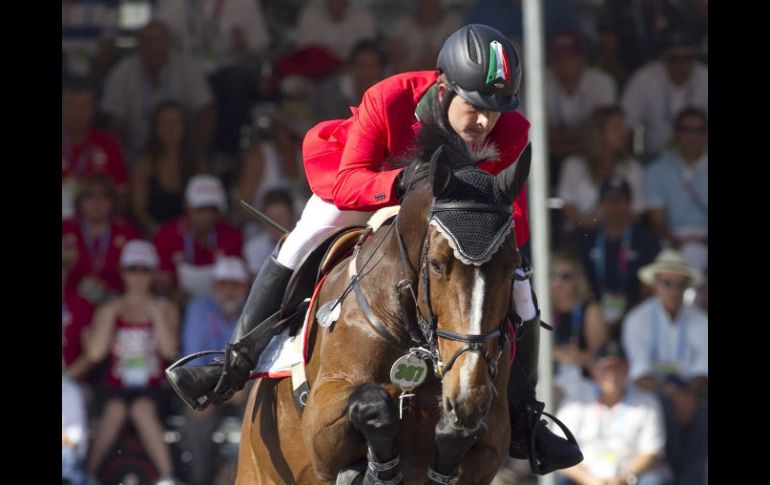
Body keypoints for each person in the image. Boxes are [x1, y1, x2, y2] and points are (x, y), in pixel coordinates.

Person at [167, 24, 582, 473]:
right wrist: (404, 186)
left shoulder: (513, 128)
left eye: (496, 109)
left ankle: (525, 415)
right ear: (444, 87)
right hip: (372, 191)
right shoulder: (392, 97)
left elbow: (515, 218)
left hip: (457, 221)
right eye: (475, 105)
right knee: (305, 234)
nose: (485, 121)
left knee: (518, 287)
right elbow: (348, 181)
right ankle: (235, 360)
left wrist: (481, 216)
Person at [84, 240, 179, 484]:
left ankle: (167, 477)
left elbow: (169, 351)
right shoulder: (109, 308)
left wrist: (154, 311)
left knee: (141, 409)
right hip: (114, 384)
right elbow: (95, 354)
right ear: (122, 272)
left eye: (144, 270)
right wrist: (113, 313)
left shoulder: (165, 308)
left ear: (153, 273)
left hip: (153, 386)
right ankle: (90, 475)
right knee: (115, 409)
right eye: (132, 270)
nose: (137, 277)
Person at [622, 249, 708, 485]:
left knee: (703, 416)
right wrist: (674, 393)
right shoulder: (637, 319)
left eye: (680, 285)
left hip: (691, 389)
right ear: (655, 285)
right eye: (667, 283)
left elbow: (703, 371)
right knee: (662, 409)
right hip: (654, 389)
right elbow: (639, 376)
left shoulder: (700, 320)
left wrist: (688, 395)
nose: (674, 290)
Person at [180, 256, 251, 485]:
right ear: (213, 287)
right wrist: (216, 391)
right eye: (223, 284)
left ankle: (234, 474)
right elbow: (193, 361)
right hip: (208, 385)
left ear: (245, 286)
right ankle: (200, 479)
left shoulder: (254, 310)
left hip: (245, 385)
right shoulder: (198, 309)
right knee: (197, 410)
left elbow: (260, 358)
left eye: (235, 285)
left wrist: (238, 387)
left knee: (257, 411)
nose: (229, 291)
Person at [556, 341, 668, 485]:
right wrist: (589, 480)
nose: (612, 375)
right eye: (605, 369)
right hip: (586, 476)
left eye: (617, 368)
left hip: (630, 477)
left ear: (628, 370)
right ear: (593, 371)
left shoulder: (646, 402)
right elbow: (559, 449)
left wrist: (623, 478)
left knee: (652, 480)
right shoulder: (577, 399)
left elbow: (652, 451)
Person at [578, 177, 660, 336]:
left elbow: (650, 287)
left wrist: (626, 317)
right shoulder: (588, 240)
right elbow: (582, 285)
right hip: (595, 315)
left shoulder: (646, 240)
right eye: (609, 200)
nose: (614, 207)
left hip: (637, 315)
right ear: (600, 204)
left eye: (619, 200)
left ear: (630, 204)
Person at [621, 29, 707, 161]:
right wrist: (631, 158)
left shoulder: (705, 78)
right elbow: (625, 125)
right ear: (663, 58)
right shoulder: (644, 79)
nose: (681, 64)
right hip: (654, 156)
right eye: (674, 59)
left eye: (687, 58)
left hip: (701, 157)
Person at [153, 175, 243, 299]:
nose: (207, 215)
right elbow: (158, 283)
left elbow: (239, 282)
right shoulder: (166, 235)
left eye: (212, 209)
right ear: (187, 206)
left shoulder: (231, 236)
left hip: (222, 305)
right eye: (201, 209)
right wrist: (171, 292)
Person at [645, 107, 708, 272]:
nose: (692, 136)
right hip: (670, 242)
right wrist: (676, 242)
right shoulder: (658, 169)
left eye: (699, 130)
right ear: (676, 134)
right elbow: (657, 219)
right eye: (686, 130)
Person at [130, 101, 198, 235]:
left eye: (176, 123)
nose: (170, 128)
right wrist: (160, 233)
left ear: (185, 127)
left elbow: (204, 207)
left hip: (191, 235)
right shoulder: (143, 165)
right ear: (155, 128)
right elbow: (138, 210)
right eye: (164, 123)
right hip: (154, 234)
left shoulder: (197, 164)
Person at [549, 250, 608, 399]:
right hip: (549, 379)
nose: (558, 282)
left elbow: (601, 360)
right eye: (552, 275)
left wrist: (552, 353)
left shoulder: (590, 310)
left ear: (578, 280)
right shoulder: (542, 309)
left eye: (565, 276)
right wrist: (561, 354)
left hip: (583, 384)